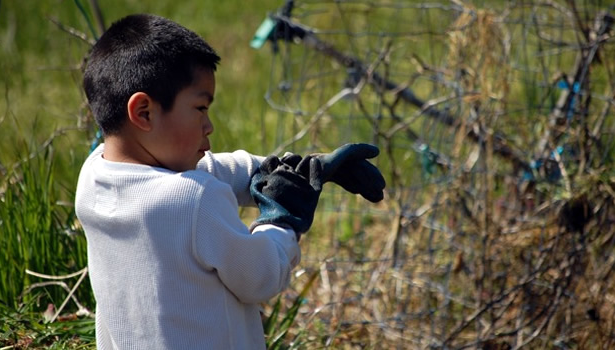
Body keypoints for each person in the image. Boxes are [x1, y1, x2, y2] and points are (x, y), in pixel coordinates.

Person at [75, 13, 384, 350]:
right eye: (200, 108)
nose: (209, 126)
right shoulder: (194, 201)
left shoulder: (94, 177)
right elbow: (260, 276)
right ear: (144, 112)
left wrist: (282, 169)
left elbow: (208, 170)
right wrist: (283, 220)